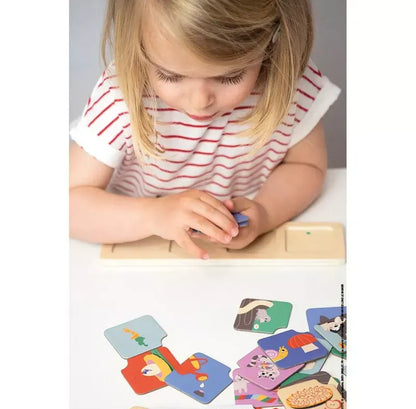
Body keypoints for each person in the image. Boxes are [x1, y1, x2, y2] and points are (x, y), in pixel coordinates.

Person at [69, 0, 341, 259]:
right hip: (142, 252)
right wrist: (154, 215)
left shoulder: (288, 83)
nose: (200, 101)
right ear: (137, 45)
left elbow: (306, 166)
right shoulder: (122, 98)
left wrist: (266, 212)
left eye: (229, 76)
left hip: (237, 260)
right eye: (170, 75)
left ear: (270, 40)